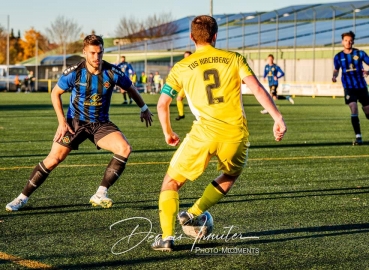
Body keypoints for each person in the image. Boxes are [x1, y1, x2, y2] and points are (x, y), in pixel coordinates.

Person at [151, 15, 286, 251]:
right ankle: (193, 212)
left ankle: (167, 238)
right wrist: (277, 118)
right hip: (235, 134)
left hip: (203, 134)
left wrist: (168, 132)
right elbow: (256, 88)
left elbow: (162, 104)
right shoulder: (234, 58)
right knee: (230, 175)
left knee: (171, 182)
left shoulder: (181, 67)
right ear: (215, 36)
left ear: (192, 37)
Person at [5, 35, 153, 212]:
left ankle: (100, 194)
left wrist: (143, 107)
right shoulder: (74, 72)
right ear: (84, 52)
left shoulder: (113, 72)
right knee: (53, 160)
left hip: (100, 124)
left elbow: (130, 87)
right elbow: (55, 93)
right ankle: (21, 198)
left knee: (124, 148)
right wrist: (61, 121)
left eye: (100, 53)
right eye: (92, 53)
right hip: (75, 123)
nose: (96, 57)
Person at [332, 31, 369, 146]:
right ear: (342, 42)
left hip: (361, 86)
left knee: (368, 111)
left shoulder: (360, 53)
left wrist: (368, 71)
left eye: (350, 40)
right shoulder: (338, 57)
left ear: (353, 41)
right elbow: (336, 69)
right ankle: (358, 137)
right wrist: (334, 76)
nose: (348, 42)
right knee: (353, 108)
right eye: (346, 40)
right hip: (349, 87)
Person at [175, 51, 192, 121]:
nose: (186, 58)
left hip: (193, 85)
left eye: (187, 56)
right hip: (185, 85)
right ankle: (181, 114)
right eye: (185, 57)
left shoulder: (195, 63)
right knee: (179, 98)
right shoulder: (183, 65)